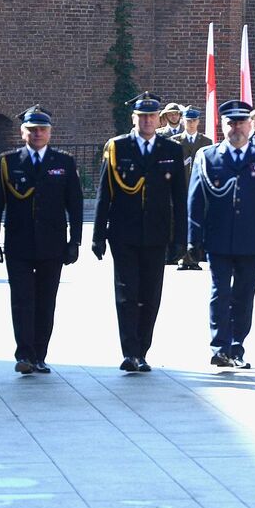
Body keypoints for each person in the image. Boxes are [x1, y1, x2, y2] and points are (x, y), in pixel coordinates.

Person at [93, 92, 187, 372]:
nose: (147, 121)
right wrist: (98, 234)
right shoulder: (117, 147)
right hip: (124, 233)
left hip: (157, 234)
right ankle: (129, 351)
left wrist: (181, 238)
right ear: (133, 119)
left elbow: (179, 198)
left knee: (151, 294)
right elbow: (104, 193)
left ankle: (143, 350)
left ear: (158, 119)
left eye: (151, 116)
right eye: (142, 116)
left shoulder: (170, 150)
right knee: (126, 293)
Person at [188, 99, 255, 369]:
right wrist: (192, 239)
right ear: (222, 125)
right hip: (218, 237)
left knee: (244, 295)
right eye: (231, 123)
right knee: (220, 292)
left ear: (250, 124)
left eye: (241, 122)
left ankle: (237, 346)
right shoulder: (208, 156)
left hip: (251, 239)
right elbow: (195, 200)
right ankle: (219, 346)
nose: (236, 127)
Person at [0, 104, 84, 374]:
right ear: (22, 133)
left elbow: (74, 205)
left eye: (42, 129)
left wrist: (74, 241)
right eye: (32, 129)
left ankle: (40, 354)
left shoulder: (63, 162)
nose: (37, 133)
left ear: (50, 133)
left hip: (52, 244)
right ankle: (24, 354)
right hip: (18, 244)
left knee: (46, 301)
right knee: (21, 299)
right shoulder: (9, 162)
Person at [170, 106, 212, 270]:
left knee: (197, 223)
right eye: (188, 120)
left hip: (199, 189)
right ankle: (182, 257)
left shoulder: (206, 142)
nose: (191, 123)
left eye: (194, 120)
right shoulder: (175, 141)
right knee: (181, 224)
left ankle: (194, 258)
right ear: (183, 121)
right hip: (181, 188)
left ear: (199, 121)